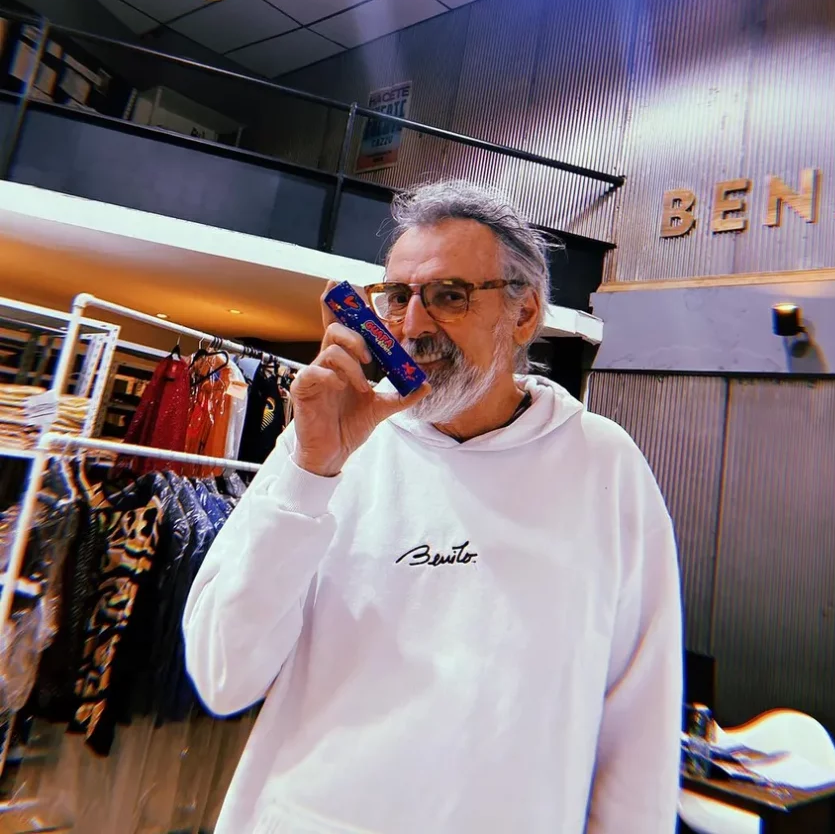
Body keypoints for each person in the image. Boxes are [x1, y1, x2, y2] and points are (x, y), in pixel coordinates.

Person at [183, 180, 683, 834]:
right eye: (398, 297)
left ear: (523, 314)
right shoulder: (322, 450)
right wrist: (311, 475)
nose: (415, 326)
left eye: (449, 295)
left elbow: (640, 730)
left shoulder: (603, 465)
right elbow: (222, 675)